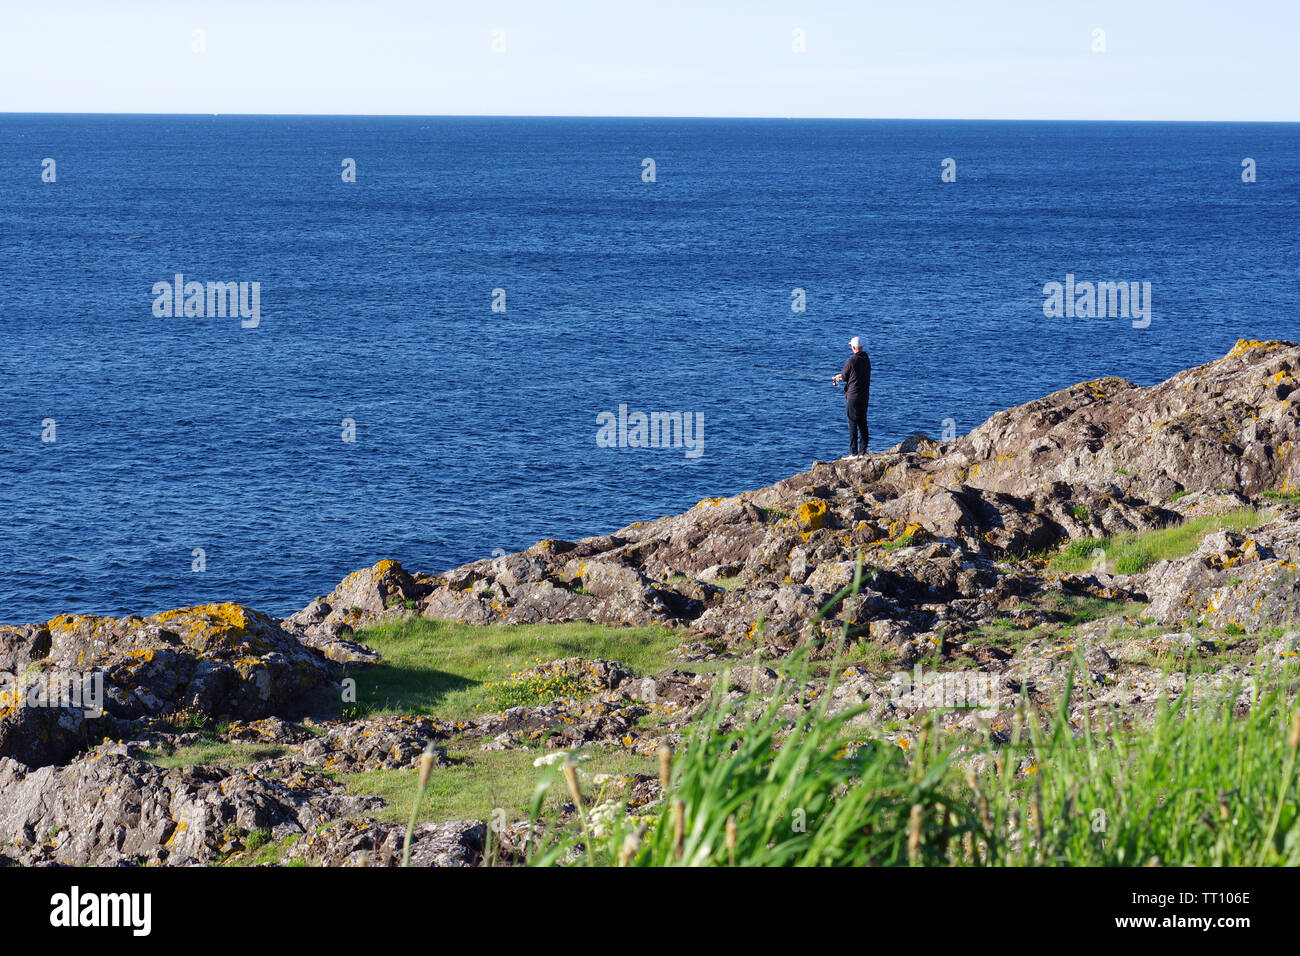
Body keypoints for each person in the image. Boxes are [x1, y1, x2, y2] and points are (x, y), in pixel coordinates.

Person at [832, 336, 870, 457]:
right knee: (863, 423)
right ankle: (863, 451)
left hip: (853, 397)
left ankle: (853, 453)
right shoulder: (866, 359)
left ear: (853, 347)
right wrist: (843, 376)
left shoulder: (851, 361)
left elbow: (844, 376)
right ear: (862, 347)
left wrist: (838, 377)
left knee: (852, 423)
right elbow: (853, 374)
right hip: (864, 396)